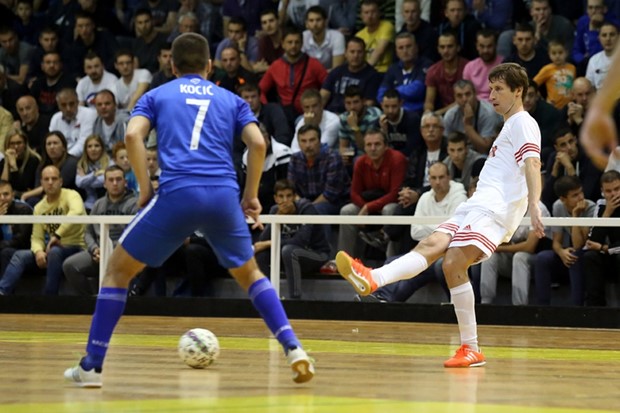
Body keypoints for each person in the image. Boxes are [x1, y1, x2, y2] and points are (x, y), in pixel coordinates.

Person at [63, 33, 314, 387]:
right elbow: (258, 143)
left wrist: (146, 188)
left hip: (178, 193)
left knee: (117, 273)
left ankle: (92, 366)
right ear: (210, 67)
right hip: (224, 196)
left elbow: (133, 137)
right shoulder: (230, 99)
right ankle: (294, 349)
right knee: (251, 275)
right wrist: (251, 196)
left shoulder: (156, 95)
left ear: (172, 65)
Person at [335, 63, 545, 367]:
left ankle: (471, 348)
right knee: (430, 245)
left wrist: (535, 204)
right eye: (491, 88)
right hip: (476, 205)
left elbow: (532, 164)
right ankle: (374, 278)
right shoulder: (508, 126)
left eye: (499, 89)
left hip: (494, 209)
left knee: (453, 262)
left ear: (518, 91)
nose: (492, 95)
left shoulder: (523, 122)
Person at [0, 165, 86, 296]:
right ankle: (2, 292)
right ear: (41, 183)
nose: (50, 182)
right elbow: (37, 236)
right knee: (20, 256)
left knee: (55, 252)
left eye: (54, 178)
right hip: (52, 248)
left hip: (76, 246)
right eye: (46, 179)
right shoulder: (40, 207)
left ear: (60, 181)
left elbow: (77, 212)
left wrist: (57, 235)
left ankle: (49, 298)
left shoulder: (71, 195)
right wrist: (39, 251)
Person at [63, 165, 138, 296]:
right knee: (70, 265)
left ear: (125, 182)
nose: (115, 183)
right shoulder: (98, 204)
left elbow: (134, 235)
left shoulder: (134, 204)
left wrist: (108, 250)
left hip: (122, 254)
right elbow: (88, 231)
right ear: (104, 184)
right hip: (97, 252)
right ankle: (90, 300)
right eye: (111, 180)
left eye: (119, 179)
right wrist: (94, 249)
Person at [254, 179, 332, 299]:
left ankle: (295, 300)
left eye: (289, 196)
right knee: (262, 254)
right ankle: (270, 298)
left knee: (289, 250)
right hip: (288, 256)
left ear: (295, 196)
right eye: (281, 196)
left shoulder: (306, 209)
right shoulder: (275, 210)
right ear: (275, 198)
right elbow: (263, 239)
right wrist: (277, 217)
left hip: (316, 254)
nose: (285, 201)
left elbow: (301, 241)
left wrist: (269, 243)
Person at [582, 170, 620, 306]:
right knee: (590, 256)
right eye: (609, 191)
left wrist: (605, 248)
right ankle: (595, 311)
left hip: (615, 253)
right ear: (602, 191)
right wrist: (607, 212)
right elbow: (593, 241)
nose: (614, 194)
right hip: (610, 255)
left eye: (617, 189)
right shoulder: (602, 205)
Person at [0, 179, 33, 277]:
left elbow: (21, 241)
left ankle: (3, 290)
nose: (2, 198)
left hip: (22, 251)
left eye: (6, 194)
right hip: (3, 247)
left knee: (6, 253)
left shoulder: (23, 210)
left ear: (12, 195)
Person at [533, 40, 576, 110]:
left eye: (560, 53)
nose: (557, 56)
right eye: (554, 53)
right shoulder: (547, 69)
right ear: (549, 54)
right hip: (553, 107)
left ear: (566, 53)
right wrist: (541, 99)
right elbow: (533, 84)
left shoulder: (572, 68)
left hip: (569, 105)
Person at [0, 129, 41, 198]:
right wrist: (7, 163)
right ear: (7, 145)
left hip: (28, 198)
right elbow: (2, 186)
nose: (16, 147)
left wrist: (14, 167)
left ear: (25, 144)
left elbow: (22, 187)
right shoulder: (3, 161)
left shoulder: (33, 160)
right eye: (12, 143)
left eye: (19, 143)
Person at [75, 135, 111, 211]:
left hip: (107, 204)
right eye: (89, 146)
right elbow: (79, 183)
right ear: (86, 150)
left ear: (102, 148)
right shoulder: (82, 164)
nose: (93, 149)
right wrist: (95, 174)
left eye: (97, 146)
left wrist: (85, 178)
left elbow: (102, 182)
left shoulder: (110, 163)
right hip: (88, 205)